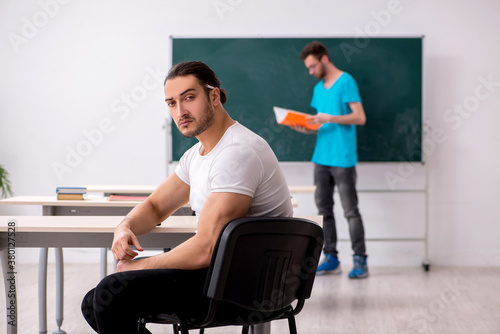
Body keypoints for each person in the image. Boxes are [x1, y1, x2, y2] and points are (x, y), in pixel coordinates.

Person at [81, 61, 293, 333]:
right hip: (223, 278)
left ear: (214, 96)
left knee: (112, 292)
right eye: (171, 103)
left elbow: (206, 249)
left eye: (189, 98)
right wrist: (125, 227)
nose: (180, 111)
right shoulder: (196, 156)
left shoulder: (237, 152)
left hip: (248, 288)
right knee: (95, 302)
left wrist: (136, 267)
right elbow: (156, 206)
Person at [294, 41, 368, 279]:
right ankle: (331, 258)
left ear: (324, 59)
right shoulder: (318, 90)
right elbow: (320, 124)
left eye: (313, 66)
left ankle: (360, 261)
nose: (311, 71)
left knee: (351, 210)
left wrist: (331, 118)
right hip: (321, 157)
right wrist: (305, 128)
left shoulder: (346, 81)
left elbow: (359, 117)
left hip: (343, 158)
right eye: (308, 67)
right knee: (324, 210)